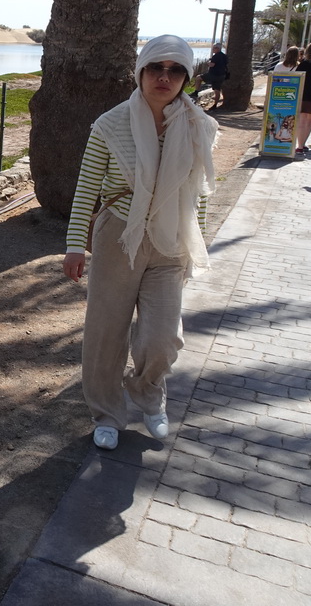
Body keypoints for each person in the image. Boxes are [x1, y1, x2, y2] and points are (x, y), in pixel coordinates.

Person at [63, 35, 218, 451]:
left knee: (163, 337)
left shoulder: (199, 126)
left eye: (175, 70)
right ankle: (107, 413)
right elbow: (85, 191)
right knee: (106, 332)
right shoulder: (110, 125)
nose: (164, 77)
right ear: (141, 72)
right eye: (155, 68)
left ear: (187, 77)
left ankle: (149, 394)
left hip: (171, 239)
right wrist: (75, 244)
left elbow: (198, 192)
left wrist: (193, 245)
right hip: (119, 234)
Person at [205, 42, 229, 109]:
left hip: (214, 75)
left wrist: (209, 63)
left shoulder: (216, 56)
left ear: (218, 48)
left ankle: (196, 92)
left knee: (199, 78)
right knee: (217, 90)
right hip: (222, 75)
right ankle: (215, 105)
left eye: (214, 48)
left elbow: (212, 64)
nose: (213, 49)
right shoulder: (224, 56)